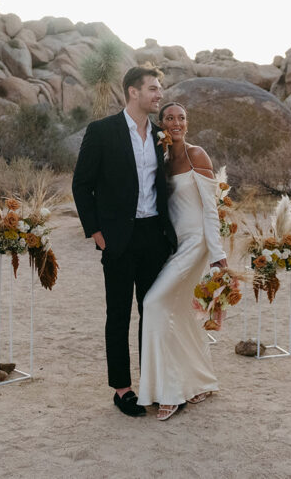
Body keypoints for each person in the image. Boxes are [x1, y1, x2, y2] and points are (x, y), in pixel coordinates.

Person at [71, 66, 178, 418]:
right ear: (133, 92)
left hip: (154, 237)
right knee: (118, 314)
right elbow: (81, 185)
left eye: (159, 88)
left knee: (153, 312)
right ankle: (123, 389)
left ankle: (150, 383)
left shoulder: (162, 135)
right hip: (117, 238)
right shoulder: (103, 132)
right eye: (153, 89)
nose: (158, 95)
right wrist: (96, 233)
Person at [137, 101, 228, 420]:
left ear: (187, 123)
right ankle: (201, 380)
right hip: (175, 246)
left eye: (182, 118)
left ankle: (172, 392)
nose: (176, 122)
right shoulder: (161, 161)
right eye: (169, 118)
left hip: (198, 243)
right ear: (161, 124)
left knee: (154, 302)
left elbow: (210, 208)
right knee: (179, 311)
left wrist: (218, 255)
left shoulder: (196, 154)